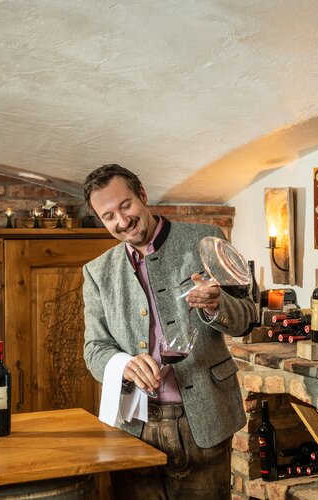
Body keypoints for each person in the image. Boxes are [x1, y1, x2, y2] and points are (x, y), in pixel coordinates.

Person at [81, 164, 257, 499]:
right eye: (108, 216)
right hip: (134, 426)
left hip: (203, 419)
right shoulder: (97, 272)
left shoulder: (206, 241)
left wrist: (216, 306)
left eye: (126, 205)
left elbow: (248, 315)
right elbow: (94, 348)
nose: (121, 221)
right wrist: (123, 364)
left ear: (143, 194)